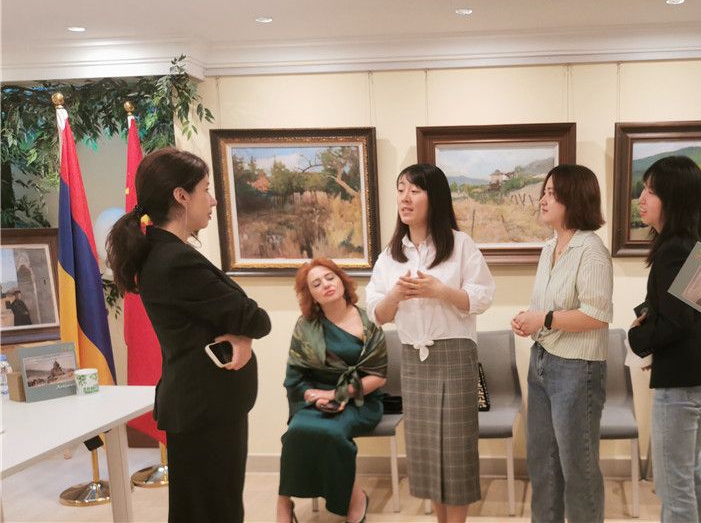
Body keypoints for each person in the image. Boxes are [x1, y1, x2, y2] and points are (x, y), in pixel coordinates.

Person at [106, 147, 271, 523]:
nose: (212, 200)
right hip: (205, 408)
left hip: (203, 407)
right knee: (213, 512)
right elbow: (257, 319)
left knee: (204, 509)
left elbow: (240, 320)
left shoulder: (165, 253)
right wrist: (245, 334)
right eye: (206, 189)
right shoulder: (175, 261)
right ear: (181, 196)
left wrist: (242, 336)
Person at [365, 163, 495, 523]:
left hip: (455, 355)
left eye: (415, 190)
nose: (405, 198)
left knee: (455, 450)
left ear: (434, 197)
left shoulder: (460, 245)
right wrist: (395, 295)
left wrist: (441, 291)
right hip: (413, 357)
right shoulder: (390, 255)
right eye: (400, 189)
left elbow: (483, 297)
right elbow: (377, 314)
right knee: (426, 451)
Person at [511, 164, 613, 523]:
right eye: (545, 191)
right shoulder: (549, 247)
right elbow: (547, 308)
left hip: (577, 369)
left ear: (575, 198)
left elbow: (597, 315)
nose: (543, 199)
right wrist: (529, 319)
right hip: (542, 361)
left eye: (552, 193)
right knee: (543, 465)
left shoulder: (591, 250)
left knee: (577, 469)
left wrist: (544, 319)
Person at [627, 156, 701, 522]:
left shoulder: (672, 249)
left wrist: (638, 336)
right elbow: (693, 314)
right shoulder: (695, 243)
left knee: (673, 485)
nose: (641, 198)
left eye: (651, 191)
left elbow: (677, 321)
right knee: (691, 471)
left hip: (683, 381)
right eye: (643, 189)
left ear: (675, 198)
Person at [277, 257, 387, 523]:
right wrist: (312, 396)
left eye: (330, 278)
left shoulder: (369, 321)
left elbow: (378, 377)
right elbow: (295, 376)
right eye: (316, 284)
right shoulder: (305, 325)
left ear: (342, 280)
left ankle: (355, 497)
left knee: (332, 433)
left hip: (360, 399)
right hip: (314, 399)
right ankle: (283, 503)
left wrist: (338, 395)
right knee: (295, 432)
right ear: (311, 295)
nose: (325, 285)